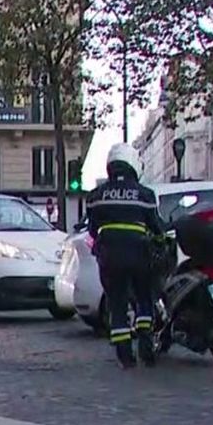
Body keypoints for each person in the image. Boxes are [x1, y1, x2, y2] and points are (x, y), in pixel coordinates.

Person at [86, 142, 165, 368]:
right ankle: (146, 347)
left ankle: (125, 356)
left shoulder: (96, 196)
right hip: (140, 255)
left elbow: (92, 229)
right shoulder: (145, 194)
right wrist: (160, 242)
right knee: (144, 299)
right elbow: (157, 227)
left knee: (118, 304)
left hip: (109, 257)